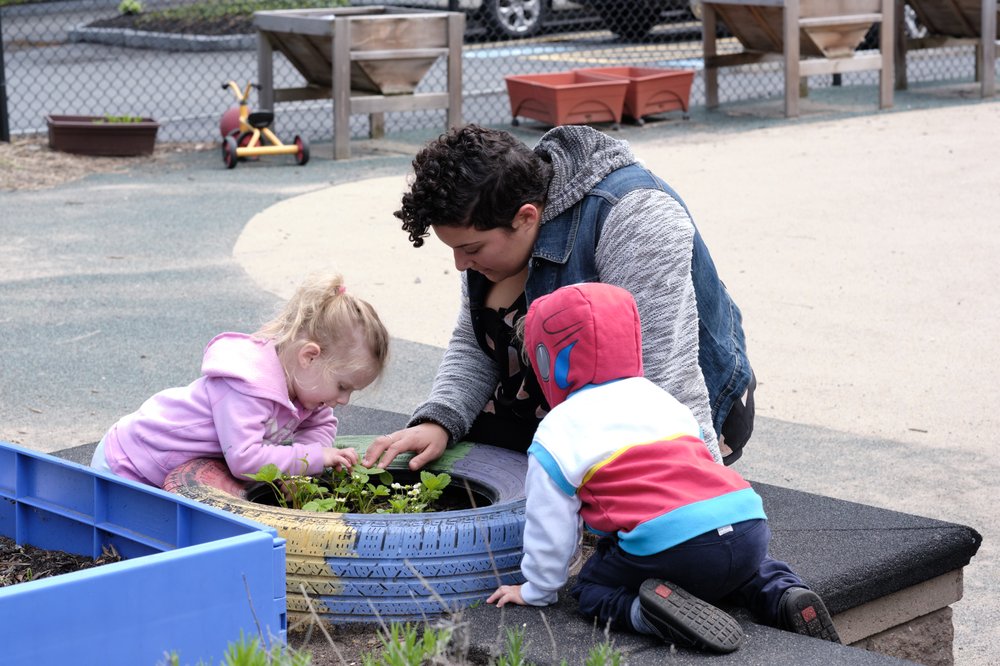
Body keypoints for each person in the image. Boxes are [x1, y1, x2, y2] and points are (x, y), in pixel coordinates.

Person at [363, 124, 754, 472]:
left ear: (527, 217)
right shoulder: (493, 211)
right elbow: (475, 343)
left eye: (472, 248)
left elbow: (667, 379)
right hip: (560, 402)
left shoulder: (635, 214)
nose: (460, 265)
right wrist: (440, 419)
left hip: (671, 401)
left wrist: (701, 504)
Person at [486, 282, 838, 653]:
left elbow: (551, 526)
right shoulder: (661, 399)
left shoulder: (558, 429)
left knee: (592, 589)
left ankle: (648, 613)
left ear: (547, 360)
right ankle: (786, 594)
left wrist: (538, 589)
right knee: (750, 569)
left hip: (669, 545)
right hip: (746, 521)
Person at [91, 273, 390, 488]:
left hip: (168, 468)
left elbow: (320, 425)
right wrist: (314, 457)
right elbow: (245, 461)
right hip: (129, 463)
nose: (344, 400)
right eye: (342, 386)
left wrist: (301, 472)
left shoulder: (307, 388)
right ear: (309, 357)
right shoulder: (249, 387)